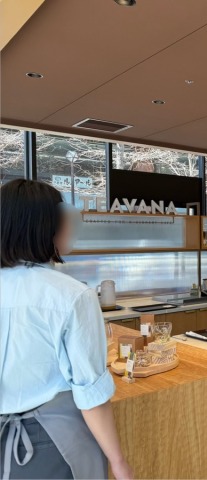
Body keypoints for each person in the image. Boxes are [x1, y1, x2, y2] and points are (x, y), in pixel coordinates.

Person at [0, 179, 133, 480]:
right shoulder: (71, 295)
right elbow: (90, 394)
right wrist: (119, 462)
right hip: (52, 442)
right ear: (46, 226)